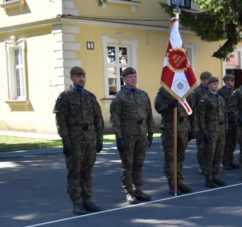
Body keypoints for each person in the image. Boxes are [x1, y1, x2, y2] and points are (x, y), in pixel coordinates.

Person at [53, 66, 104, 215]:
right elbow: (61, 121)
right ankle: (77, 202)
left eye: (83, 76)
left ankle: (87, 200)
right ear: (72, 78)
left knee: (87, 171)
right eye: (78, 76)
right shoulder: (65, 97)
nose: (81, 78)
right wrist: (66, 141)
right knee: (75, 172)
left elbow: (98, 118)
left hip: (89, 139)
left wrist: (99, 139)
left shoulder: (90, 96)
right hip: (74, 140)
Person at [109, 67, 154, 203]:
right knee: (127, 165)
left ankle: (138, 189)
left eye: (134, 76)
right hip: (128, 135)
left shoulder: (143, 94)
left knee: (139, 163)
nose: (133, 79)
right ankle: (129, 191)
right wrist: (119, 137)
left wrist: (151, 132)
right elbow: (115, 118)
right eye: (130, 77)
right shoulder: (119, 97)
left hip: (141, 133)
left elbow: (149, 114)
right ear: (124, 79)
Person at [154, 86, 192, 194]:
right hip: (170, 127)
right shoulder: (163, 92)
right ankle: (172, 183)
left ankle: (179, 181)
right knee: (171, 157)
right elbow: (158, 107)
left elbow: (190, 108)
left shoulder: (183, 89)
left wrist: (190, 128)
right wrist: (169, 106)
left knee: (180, 156)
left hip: (183, 127)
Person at [196, 76, 227, 188]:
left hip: (220, 130)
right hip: (210, 131)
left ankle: (215, 176)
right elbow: (200, 117)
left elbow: (224, 114)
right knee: (209, 155)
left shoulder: (220, 98)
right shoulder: (205, 99)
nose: (216, 85)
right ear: (208, 85)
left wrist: (225, 127)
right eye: (214, 84)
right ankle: (208, 178)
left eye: (217, 83)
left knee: (219, 154)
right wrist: (204, 132)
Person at [187, 71, 211, 173]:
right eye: (204, 79)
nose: (206, 81)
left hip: (211, 122)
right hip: (199, 122)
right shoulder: (196, 92)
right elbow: (191, 108)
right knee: (201, 146)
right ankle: (202, 165)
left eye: (208, 79)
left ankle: (209, 164)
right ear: (201, 80)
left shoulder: (212, 90)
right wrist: (193, 125)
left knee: (210, 145)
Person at [220, 74, 239, 170]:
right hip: (226, 120)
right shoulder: (220, 92)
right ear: (226, 81)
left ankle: (231, 160)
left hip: (234, 119)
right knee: (227, 142)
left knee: (233, 142)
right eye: (231, 80)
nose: (233, 82)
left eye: (233, 80)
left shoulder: (234, 92)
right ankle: (225, 162)